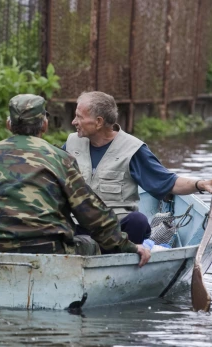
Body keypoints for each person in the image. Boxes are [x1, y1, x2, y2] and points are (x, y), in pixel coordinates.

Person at [0, 94, 150, 267]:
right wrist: (128, 246)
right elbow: (92, 214)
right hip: (53, 253)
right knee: (92, 244)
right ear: (44, 125)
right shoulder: (61, 159)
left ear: (9, 124)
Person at [64, 91, 212, 246]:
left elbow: (168, 182)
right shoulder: (71, 144)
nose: (74, 121)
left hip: (116, 231)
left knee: (138, 221)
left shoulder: (132, 149)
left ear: (99, 122)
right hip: (79, 227)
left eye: (79, 117)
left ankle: (125, 258)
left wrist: (200, 184)